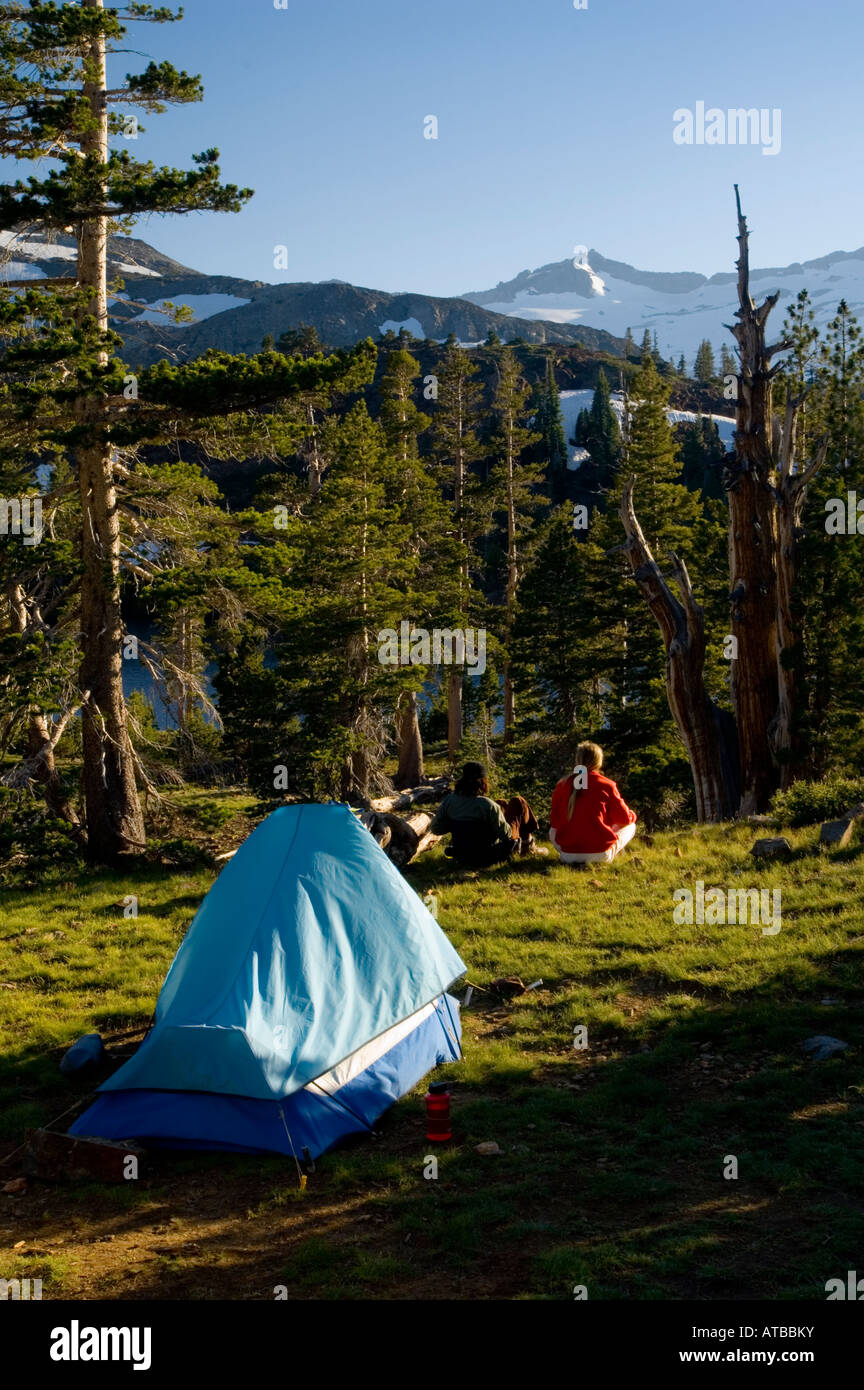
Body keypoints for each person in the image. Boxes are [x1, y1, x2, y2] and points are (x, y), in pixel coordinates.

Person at [430, 762, 541, 867]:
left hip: (461, 856)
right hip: (489, 857)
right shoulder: (487, 805)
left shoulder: (449, 801)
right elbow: (506, 834)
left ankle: (528, 845)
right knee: (518, 802)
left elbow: (436, 829)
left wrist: (457, 824)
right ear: (482, 782)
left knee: (501, 803)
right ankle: (529, 845)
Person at [549, 741, 636, 865]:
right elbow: (624, 819)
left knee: (552, 830)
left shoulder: (562, 785)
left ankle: (573, 856)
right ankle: (615, 854)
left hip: (567, 855)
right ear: (598, 761)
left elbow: (555, 822)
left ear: (578, 760)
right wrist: (632, 815)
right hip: (600, 855)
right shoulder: (607, 785)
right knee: (630, 825)